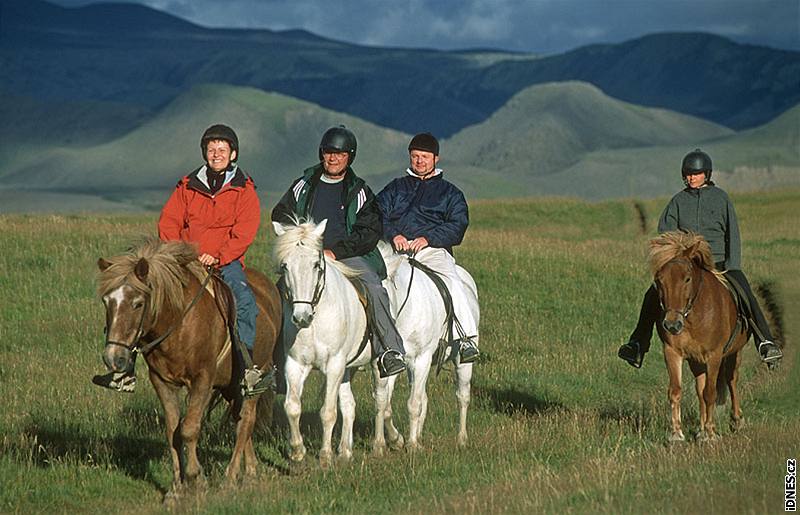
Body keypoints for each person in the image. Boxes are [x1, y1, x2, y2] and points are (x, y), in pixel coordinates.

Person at [93, 124, 269, 395]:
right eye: (211, 149)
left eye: (222, 149)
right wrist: (182, 253)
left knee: (244, 300)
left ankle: (247, 369)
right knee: (135, 297)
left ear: (233, 154)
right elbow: (169, 221)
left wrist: (219, 256)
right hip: (183, 260)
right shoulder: (188, 185)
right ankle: (124, 370)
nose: (216, 154)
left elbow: (244, 231)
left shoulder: (243, 189)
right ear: (204, 153)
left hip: (225, 262)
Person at [617, 148, 783, 368]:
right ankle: (637, 344)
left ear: (707, 174)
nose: (690, 177)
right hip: (686, 265)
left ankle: (766, 342)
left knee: (745, 292)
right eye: (687, 174)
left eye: (695, 173)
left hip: (720, 263)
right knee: (652, 294)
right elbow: (666, 234)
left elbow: (732, 234)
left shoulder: (721, 199)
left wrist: (732, 266)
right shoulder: (677, 201)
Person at [271, 125, 406, 378]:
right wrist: (298, 241)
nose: (333, 158)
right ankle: (274, 364)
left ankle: (389, 350)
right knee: (277, 293)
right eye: (329, 152)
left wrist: (337, 252)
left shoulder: (361, 190)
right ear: (321, 154)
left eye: (340, 154)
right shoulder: (303, 184)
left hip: (349, 256)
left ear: (349, 157)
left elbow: (369, 230)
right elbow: (281, 213)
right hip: (307, 256)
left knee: (374, 289)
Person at [376, 132, 479, 363]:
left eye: (425, 156)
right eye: (415, 156)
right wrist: (394, 235)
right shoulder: (395, 188)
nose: (419, 161)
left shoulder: (451, 194)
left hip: (431, 251)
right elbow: (376, 215)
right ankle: (370, 341)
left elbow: (457, 226)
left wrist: (427, 238)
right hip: (394, 250)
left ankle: (465, 338)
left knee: (453, 280)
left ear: (436, 159)